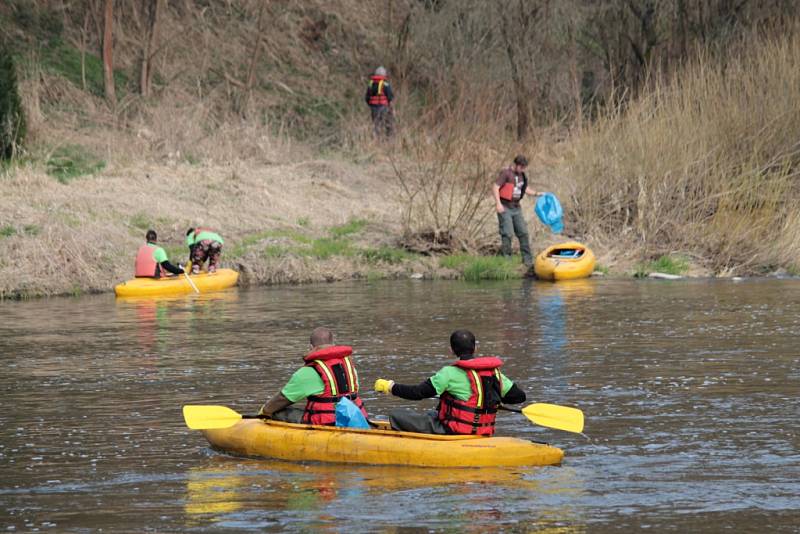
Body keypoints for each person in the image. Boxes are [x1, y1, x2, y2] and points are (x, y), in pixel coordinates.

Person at [374, 329, 526, 435]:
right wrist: (491, 397)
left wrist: (390, 387)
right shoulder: (495, 373)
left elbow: (417, 393)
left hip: (453, 429)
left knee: (396, 415)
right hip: (483, 430)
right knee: (432, 414)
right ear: (475, 348)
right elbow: (519, 397)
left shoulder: (449, 373)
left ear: (451, 350)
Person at [258, 327, 369, 425]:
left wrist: (264, 412)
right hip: (356, 418)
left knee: (277, 411)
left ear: (311, 347)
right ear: (333, 344)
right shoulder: (349, 365)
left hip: (327, 422)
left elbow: (282, 399)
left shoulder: (309, 371)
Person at [492, 155, 543, 276]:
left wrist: (537, 193)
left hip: (516, 208)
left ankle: (527, 261)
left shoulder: (522, 176)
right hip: (505, 207)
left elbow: (525, 189)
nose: (523, 169)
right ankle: (507, 261)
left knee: (523, 232)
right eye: (521, 167)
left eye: (524, 167)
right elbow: (495, 187)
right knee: (507, 233)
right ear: (516, 164)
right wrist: (498, 204)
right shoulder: (506, 173)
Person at [365, 66, 394, 138]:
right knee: (388, 122)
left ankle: (377, 139)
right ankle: (389, 138)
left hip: (373, 107)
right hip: (384, 106)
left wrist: (371, 105)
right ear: (384, 74)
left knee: (376, 123)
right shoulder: (385, 84)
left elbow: (367, 97)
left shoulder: (370, 84)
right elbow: (390, 96)